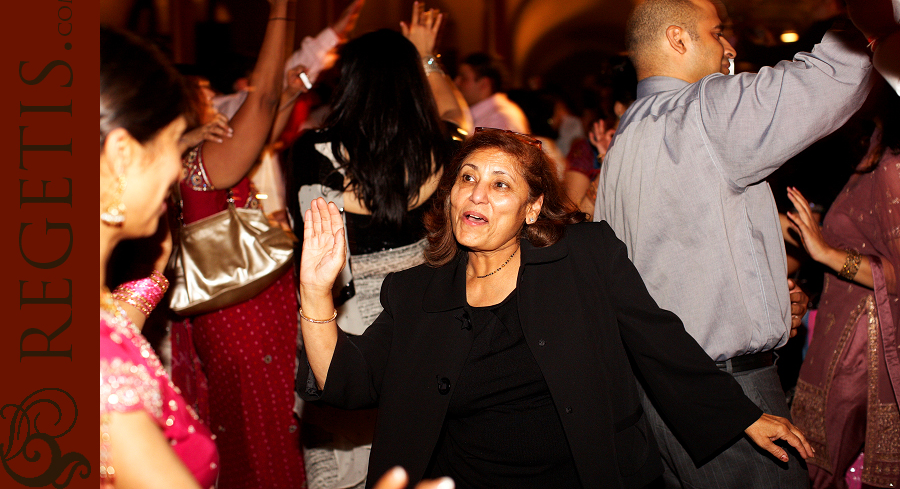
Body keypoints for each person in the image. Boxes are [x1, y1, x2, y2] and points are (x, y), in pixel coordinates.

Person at [295, 127, 814, 489]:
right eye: (468, 179)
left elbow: (657, 339)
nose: (477, 195)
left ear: (533, 207)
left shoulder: (585, 258)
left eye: (501, 185)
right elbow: (348, 381)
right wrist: (317, 293)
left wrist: (740, 414)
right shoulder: (415, 293)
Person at [595, 0, 895, 488]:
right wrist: (870, 7)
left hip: (659, 392)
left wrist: (767, 301)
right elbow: (829, 81)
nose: (729, 48)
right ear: (677, 39)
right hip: (728, 391)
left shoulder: (627, 137)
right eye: (716, 33)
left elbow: (669, 264)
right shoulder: (704, 111)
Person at [284, 4, 469, 489]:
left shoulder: (313, 152)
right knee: (414, 451)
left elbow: (311, 242)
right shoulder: (446, 147)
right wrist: (428, 59)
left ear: (348, 84)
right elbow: (458, 117)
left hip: (338, 320)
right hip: (415, 320)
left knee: (343, 456)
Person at [168, 0, 306, 488]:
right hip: (244, 318)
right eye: (203, 90)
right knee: (262, 437)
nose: (213, 94)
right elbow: (262, 98)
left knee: (251, 436)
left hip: (233, 317)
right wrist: (281, 9)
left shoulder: (189, 160)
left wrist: (283, 99)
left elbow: (265, 116)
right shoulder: (202, 163)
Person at [100, 27, 217, 488]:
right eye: (174, 143)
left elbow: (114, 330)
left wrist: (152, 277)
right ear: (122, 154)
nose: (177, 167)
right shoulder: (104, 380)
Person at [786, 89, 900, 489]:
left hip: (862, 343)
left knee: (819, 467)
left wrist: (825, 252)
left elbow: (897, 273)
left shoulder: (893, 168)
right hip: (839, 332)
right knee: (811, 460)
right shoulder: (871, 151)